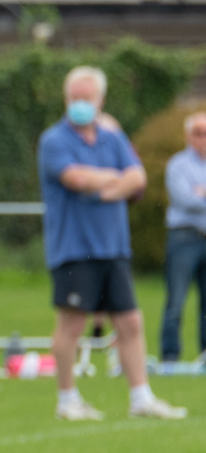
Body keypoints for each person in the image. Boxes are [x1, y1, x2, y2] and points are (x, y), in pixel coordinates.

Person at [37, 65, 185, 420]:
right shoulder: (54, 140)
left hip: (113, 246)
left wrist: (106, 186)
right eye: (74, 97)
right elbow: (75, 178)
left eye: (86, 97)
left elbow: (138, 177)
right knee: (72, 324)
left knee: (130, 322)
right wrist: (113, 180)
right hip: (74, 246)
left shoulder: (112, 139)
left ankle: (141, 397)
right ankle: (67, 399)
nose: (80, 104)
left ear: (100, 100)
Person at [159, 111, 206, 363]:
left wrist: (201, 192)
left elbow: (196, 198)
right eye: (198, 133)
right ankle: (169, 355)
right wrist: (197, 195)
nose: (203, 138)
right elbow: (184, 199)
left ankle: (204, 356)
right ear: (189, 136)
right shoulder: (178, 164)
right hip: (184, 237)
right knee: (176, 300)